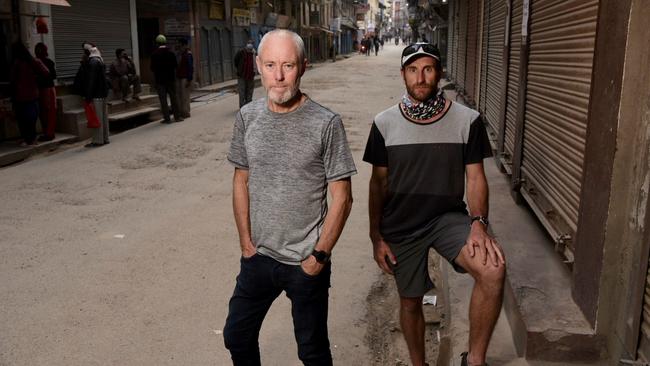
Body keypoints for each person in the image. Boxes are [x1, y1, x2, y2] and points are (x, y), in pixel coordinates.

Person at [363, 43, 506, 366]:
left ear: (439, 73)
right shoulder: (384, 123)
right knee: (411, 301)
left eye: (428, 69)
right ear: (403, 75)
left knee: (493, 270)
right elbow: (378, 184)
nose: (420, 77)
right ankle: (419, 364)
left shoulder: (468, 120)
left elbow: (475, 178)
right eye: (413, 70)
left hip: (448, 219)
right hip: (401, 222)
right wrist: (376, 236)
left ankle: (475, 360)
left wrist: (479, 223)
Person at [223, 29, 357, 366]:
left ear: (303, 67)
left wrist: (319, 257)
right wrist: (245, 243)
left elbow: (342, 197)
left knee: (312, 352)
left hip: (305, 262)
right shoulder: (247, 117)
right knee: (236, 335)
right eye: (270, 65)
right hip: (258, 257)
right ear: (257, 65)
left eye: (288, 65)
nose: (279, 76)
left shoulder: (326, 123)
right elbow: (241, 180)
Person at [9, 42, 49, 146]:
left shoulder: (17, 63)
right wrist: (35, 79)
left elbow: (12, 80)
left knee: (22, 119)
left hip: (19, 96)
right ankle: (31, 139)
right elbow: (46, 72)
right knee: (31, 119)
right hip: (33, 95)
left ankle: (27, 139)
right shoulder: (33, 61)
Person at [75, 42, 109, 147]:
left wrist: (88, 97)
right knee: (103, 118)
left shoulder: (92, 62)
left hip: (96, 95)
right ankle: (105, 138)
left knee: (97, 118)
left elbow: (91, 81)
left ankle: (98, 140)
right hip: (102, 94)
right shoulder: (99, 60)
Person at [150, 34, 182, 123]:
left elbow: (152, 69)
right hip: (171, 80)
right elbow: (175, 66)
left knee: (163, 100)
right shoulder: (171, 53)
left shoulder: (154, 55)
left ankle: (167, 119)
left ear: (157, 44)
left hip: (160, 81)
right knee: (174, 98)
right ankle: (177, 117)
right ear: (165, 43)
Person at [34, 42, 57, 142]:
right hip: (50, 89)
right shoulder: (50, 62)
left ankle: (47, 133)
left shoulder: (36, 63)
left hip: (42, 89)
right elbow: (54, 76)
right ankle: (50, 132)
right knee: (50, 111)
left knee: (44, 112)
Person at [233, 39, 256, 108]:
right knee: (242, 91)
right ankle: (242, 107)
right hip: (242, 75)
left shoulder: (254, 53)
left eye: (251, 43)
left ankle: (249, 106)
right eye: (249, 43)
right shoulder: (241, 52)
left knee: (249, 91)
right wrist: (239, 69)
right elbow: (235, 61)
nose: (250, 44)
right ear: (246, 44)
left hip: (250, 75)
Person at [175, 38, 193, 118]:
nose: (179, 46)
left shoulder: (188, 54)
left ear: (184, 45)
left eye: (180, 44)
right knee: (179, 96)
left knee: (185, 96)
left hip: (185, 78)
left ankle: (185, 112)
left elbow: (190, 67)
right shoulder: (179, 54)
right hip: (179, 77)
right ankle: (180, 112)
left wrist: (189, 79)